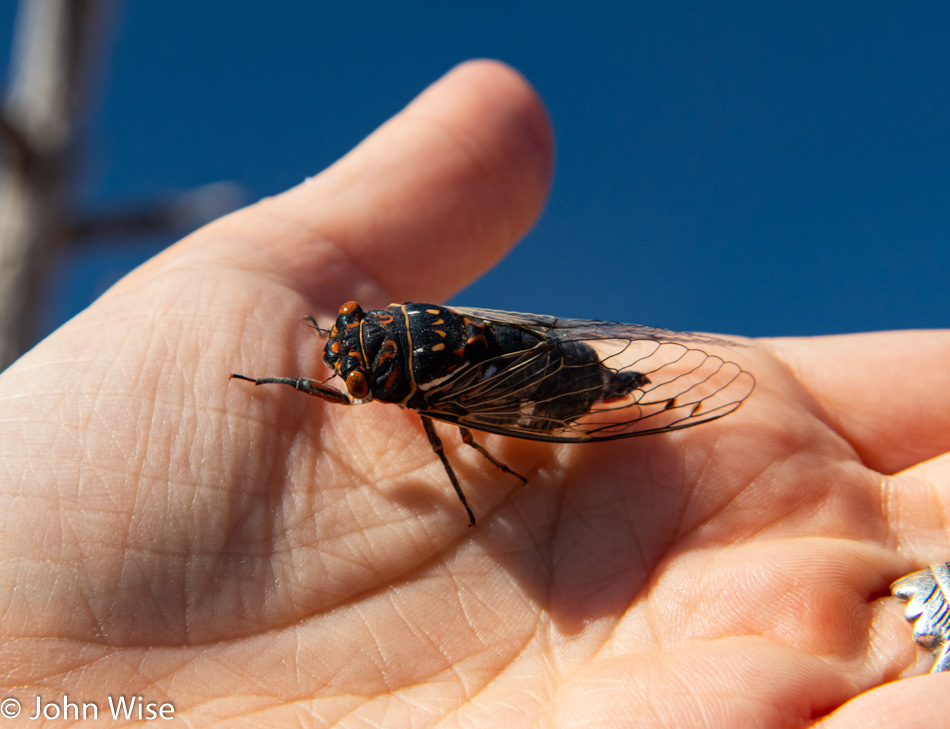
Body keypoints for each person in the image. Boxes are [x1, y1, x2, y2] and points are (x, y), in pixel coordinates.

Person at [0, 60, 946, 728]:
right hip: (516, 356)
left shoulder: (404, 386)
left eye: (356, 356)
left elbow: (459, 426)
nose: (346, 362)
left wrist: (474, 457)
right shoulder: (385, 345)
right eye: (349, 350)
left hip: (536, 383)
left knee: (489, 426)